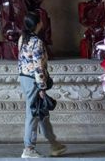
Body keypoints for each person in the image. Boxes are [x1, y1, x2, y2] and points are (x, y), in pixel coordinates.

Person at [17, 10, 66, 158]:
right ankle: (29, 149)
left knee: (41, 111)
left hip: (25, 78)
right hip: (34, 80)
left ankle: (54, 144)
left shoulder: (22, 39)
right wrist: (41, 87)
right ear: (38, 24)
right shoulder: (37, 42)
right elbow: (38, 66)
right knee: (32, 114)